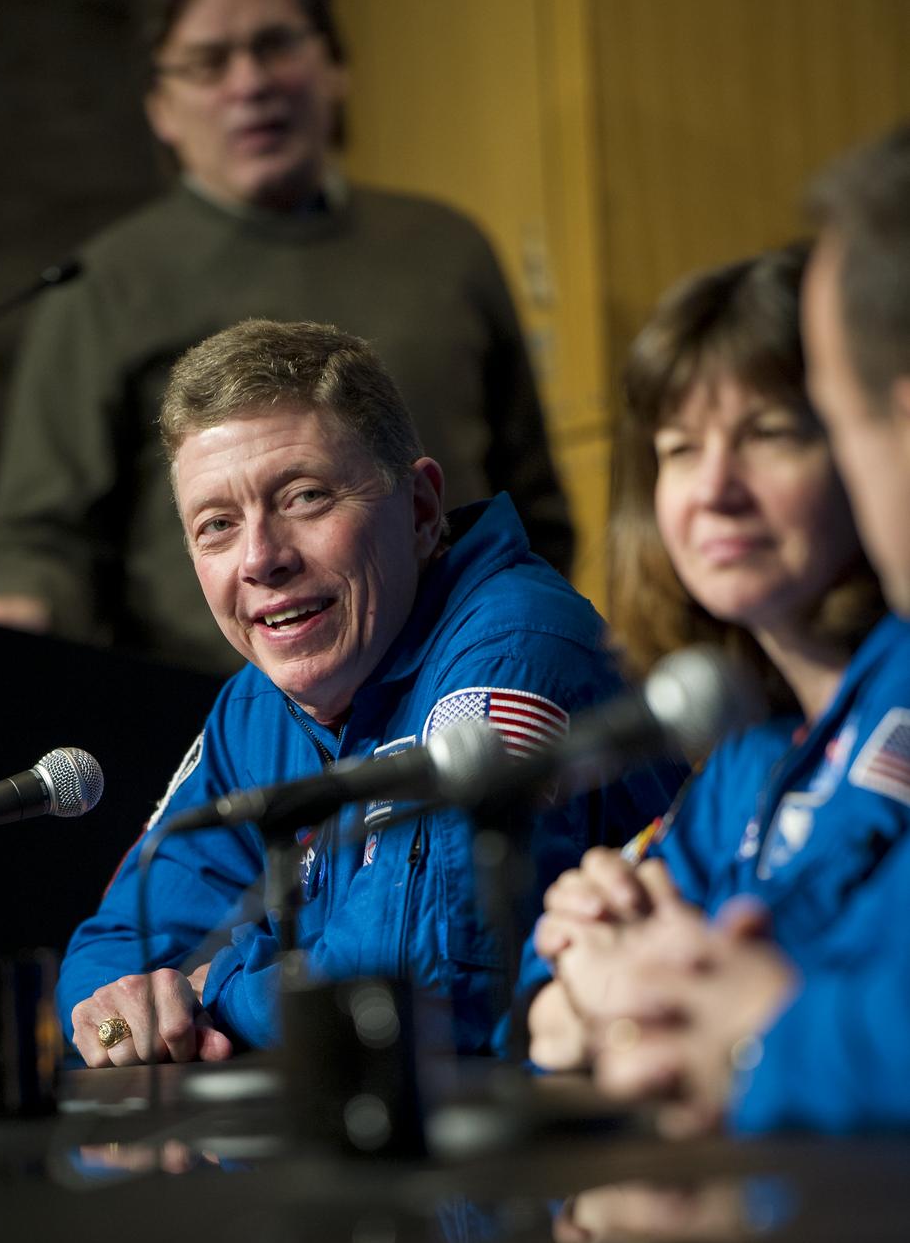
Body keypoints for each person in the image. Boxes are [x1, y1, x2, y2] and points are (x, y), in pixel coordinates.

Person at [56, 319, 679, 1067]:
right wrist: (122, 1017)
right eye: (216, 526)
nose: (260, 559)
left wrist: (207, 991)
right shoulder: (256, 705)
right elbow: (120, 946)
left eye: (305, 498)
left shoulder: (513, 650)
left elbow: (416, 983)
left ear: (419, 511)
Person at [0, 0, 573, 673]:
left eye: (275, 45)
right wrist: (22, 609)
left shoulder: (446, 250)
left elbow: (533, 508)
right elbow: (43, 541)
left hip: (462, 691)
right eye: (209, 62)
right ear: (160, 105)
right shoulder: (99, 288)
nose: (250, 84)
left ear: (334, 66)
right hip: (209, 713)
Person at [568, 124, 910, 1136]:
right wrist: (584, 982)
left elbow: (803, 960)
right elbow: (558, 996)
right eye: (677, 449)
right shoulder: (741, 755)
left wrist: (727, 1023)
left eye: (770, 432)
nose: (713, 490)